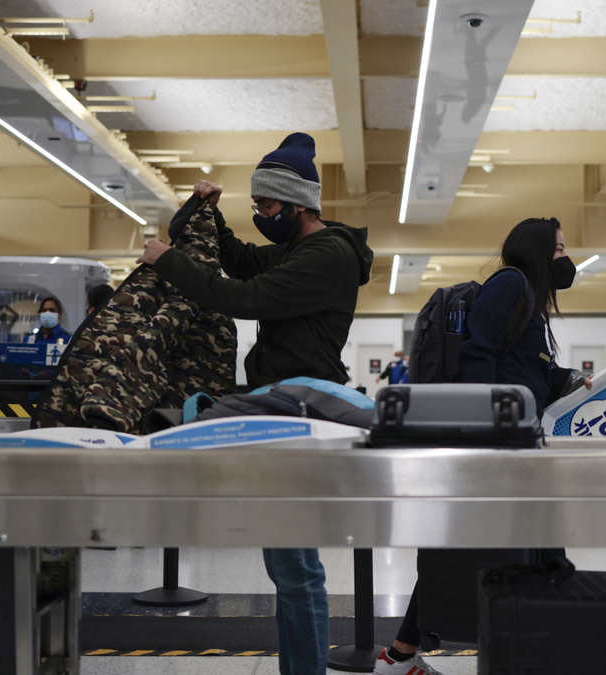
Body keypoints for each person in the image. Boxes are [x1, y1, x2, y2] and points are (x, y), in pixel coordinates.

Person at [137, 132, 373, 675]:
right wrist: (210, 215)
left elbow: (245, 298)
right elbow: (242, 261)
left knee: (295, 566)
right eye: (255, 206)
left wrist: (169, 261)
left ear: (297, 205)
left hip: (303, 412)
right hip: (279, 410)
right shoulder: (300, 247)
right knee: (286, 563)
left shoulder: (328, 256)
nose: (261, 215)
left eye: (266, 206)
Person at [374, 217, 591, 675]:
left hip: (512, 441)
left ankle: (400, 654)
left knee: (470, 547)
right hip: (497, 444)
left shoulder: (529, 302)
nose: (564, 258)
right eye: (558, 249)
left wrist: (568, 380)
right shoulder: (510, 285)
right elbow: (478, 358)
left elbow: (522, 370)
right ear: (535, 251)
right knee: (521, 547)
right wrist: (494, 431)